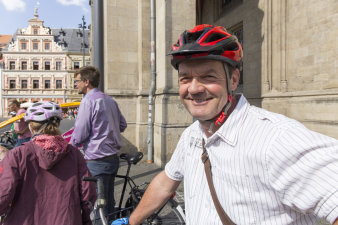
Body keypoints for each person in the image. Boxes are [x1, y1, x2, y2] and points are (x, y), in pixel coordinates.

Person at [116, 24, 338, 225]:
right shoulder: (193, 134)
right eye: (185, 78)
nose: (193, 89)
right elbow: (166, 181)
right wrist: (131, 221)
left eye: (208, 77)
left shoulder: (276, 138)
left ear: (233, 80)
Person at [0, 101, 97, 225]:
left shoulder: (18, 154)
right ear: (58, 124)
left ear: (31, 126)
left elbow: (4, 193)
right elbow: (88, 193)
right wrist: (85, 220)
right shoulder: (75, 154)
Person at [70, 66, 127, 220]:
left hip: (96, 159)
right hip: (112, 159)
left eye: (77, 81)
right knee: (108, 202)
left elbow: (80, 133)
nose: (75, 84)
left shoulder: (88, 102)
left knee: (95, 205)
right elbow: (123, 125)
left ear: (86, 82)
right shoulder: (110, 100)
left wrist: (69, 146)